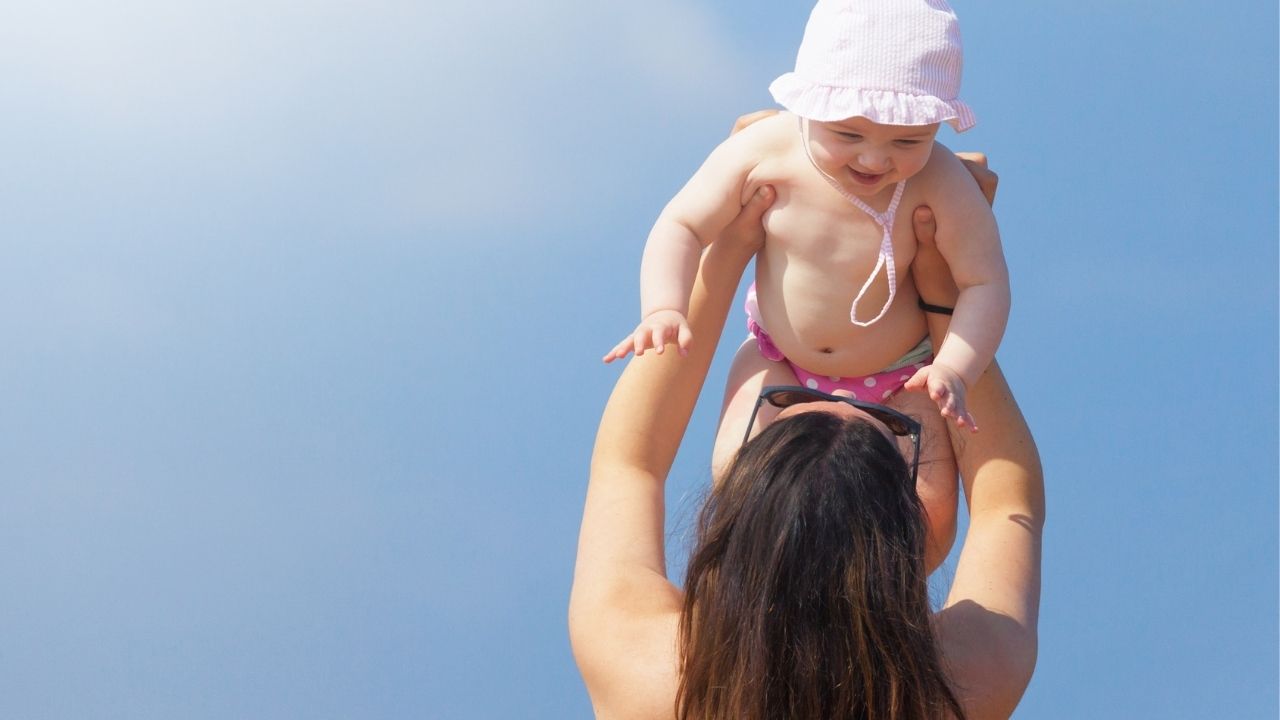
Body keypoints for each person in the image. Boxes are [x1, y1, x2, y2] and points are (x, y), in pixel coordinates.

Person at [571, 154, 1042, 718]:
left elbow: (630, 462)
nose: (843, 391)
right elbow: (1006, 500)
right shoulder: (957, 688)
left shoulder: (647, 673)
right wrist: (944, 285)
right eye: (896, 426)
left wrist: (732, 240)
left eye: (791, 401)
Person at [603, 0, 1010, 569]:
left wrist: (954, 368)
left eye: (907, 141)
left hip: (902, 375)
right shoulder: (767, 149)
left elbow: (985, 284)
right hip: (780, 359)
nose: (875, 157)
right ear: (808, 103)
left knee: (914, 526)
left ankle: (874, 603)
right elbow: (683, 223)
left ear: (936, 126)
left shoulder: (941, 181)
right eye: (848, 132)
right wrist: (664, 306)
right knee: (741, 479)